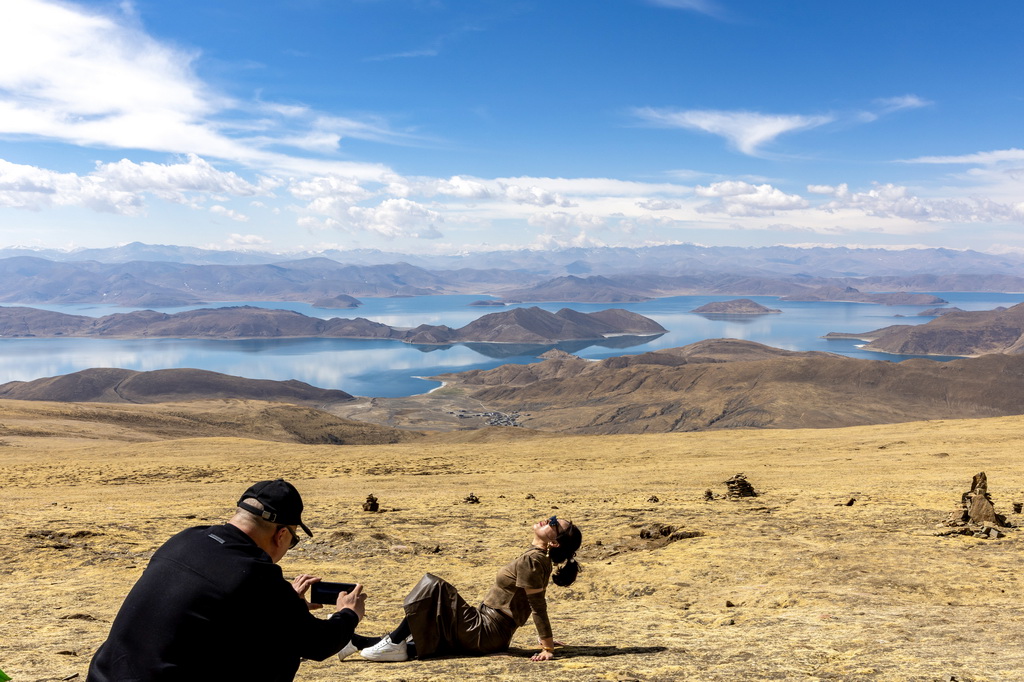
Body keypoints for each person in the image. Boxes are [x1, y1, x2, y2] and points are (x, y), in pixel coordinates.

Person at [87, 479, 370, 682]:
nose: (288, 547)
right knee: (280, 649)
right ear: (281, 534)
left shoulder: (186, 538)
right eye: (293, 540)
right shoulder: (255, 573)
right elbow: (316, 644)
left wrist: (284, 606)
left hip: (105, 673)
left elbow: (209, 609)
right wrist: (347, 613)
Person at [355, 514, 582, 663]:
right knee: (421, 638)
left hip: (487, 631)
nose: (548, 519)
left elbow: (537, 605)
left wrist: (548, 647)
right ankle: (355, 642)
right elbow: (523, 601)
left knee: (434, 587)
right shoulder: (537, 558)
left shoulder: (533, 560)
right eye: (553, 517)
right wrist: (545, 641)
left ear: (554, 543)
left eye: (553, 524)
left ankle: (392, 643)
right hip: (486, 626)